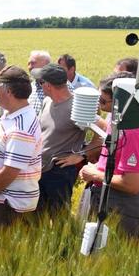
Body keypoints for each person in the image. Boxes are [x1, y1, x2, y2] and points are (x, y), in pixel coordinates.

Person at [78, 73, 139, 237]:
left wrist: (95, 174)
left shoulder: (133, 132)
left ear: (121, 101)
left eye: (104, 101)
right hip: (105, 199)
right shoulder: (115, 118)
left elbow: (132, 184)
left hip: (122, 208)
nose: (100, 104)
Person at [0, 65, 43, 227]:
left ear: (8, 91)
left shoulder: (21, 127)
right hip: (2, 199)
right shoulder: (12, 114)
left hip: (12, 205)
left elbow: (11, 171)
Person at [31, 64, 88, 213]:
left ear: (48, 85)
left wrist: (82, 155)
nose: (39, 86)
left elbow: (102, 131)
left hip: (60, 172)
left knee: (59, 219)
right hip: (40, 169)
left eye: (40, 82)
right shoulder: (47, 101)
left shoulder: (76, 106)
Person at [27, 50, 52, 116]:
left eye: (33, 63)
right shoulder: (30, 86)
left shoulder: (59, 85)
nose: (29, 67)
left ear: (46, 65)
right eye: (28, 64)